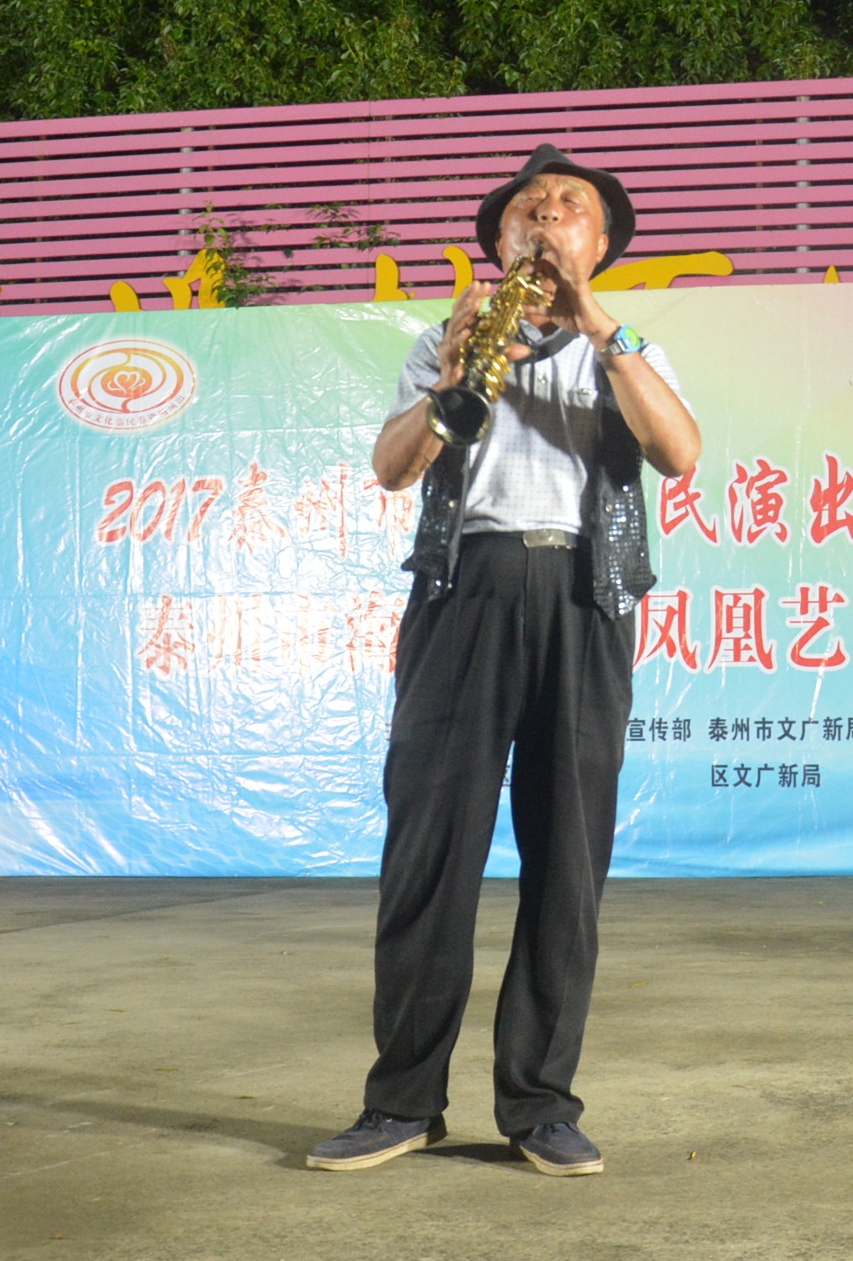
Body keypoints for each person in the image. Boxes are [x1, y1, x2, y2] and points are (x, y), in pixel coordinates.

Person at [309, 144, 700, 1176]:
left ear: (598, 243)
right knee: (430, 855)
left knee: (567, 862)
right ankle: (401, 1103)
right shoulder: (444, 340)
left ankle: (540, 1106)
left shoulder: (628, 349)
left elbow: (679, 452)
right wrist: (452, 378)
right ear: (499, 240)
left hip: (583, 598)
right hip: (463, 595)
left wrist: (597, 325)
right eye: (529, 206)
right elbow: (392, 469)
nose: (546, 215)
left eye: (568, 206)